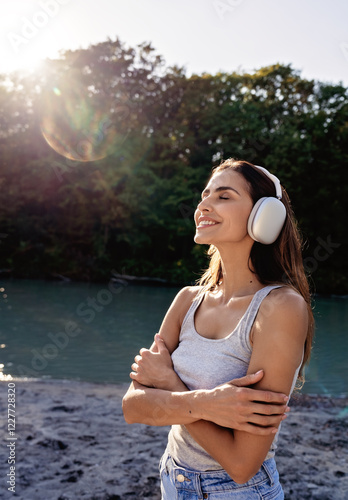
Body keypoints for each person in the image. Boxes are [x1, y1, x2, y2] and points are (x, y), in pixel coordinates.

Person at [122, 158, 314, 499]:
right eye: (204, 195)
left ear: (265, 216)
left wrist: (169, 384)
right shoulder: (187, 300)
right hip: (172, 479)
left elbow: (242, 463)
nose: (203, 205)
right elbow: (133, 407)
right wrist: (208, 403)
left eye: (224, 196)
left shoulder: (281, 308)